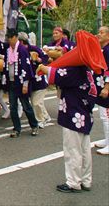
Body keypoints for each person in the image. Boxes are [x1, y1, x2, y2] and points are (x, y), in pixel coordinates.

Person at [37, 36, 98, 193]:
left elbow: (56, 75)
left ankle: (73, 182)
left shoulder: (76, 70)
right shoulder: (87, 69)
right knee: (84, 150)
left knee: (72, 150)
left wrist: (44, 68)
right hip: (84, 114)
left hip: (73, 114)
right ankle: (86, 180)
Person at [0, 30, 39, 137]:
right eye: (8, 38)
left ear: (16, 37)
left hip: (21, 83)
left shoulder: (22, 50)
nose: (9, 40)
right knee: (13, 107)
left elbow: (26, 68)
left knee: (26, 106)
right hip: (11, 82)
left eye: (11, 38)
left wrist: (25, 84)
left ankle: (34, 125)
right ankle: (16, 129)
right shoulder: (8, 50)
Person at [19, 32, 50, 128]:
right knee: (35, 102)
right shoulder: (18, 51)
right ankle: (45, 116)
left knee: (36, 102)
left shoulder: (34, 49)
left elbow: (45, 57)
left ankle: (40, 120)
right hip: (29, 81)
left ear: (21, 41)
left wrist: (38, 60)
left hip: (39, 79)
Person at [94, 26, 109, 155]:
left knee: (107, 116)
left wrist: (107, 87)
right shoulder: (103, 49)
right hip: (101, 84)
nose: (99, 34)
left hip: (106, 86)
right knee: (103, 115)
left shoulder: (108, 50)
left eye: (102, 32)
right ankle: (107, 139)